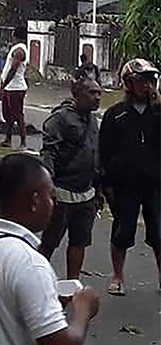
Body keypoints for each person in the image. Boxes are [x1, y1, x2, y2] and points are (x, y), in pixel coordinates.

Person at [0, 153, 100, 345]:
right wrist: (83, 310)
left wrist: (23, 305)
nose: (54, 205)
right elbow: (61, 343)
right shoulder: (31, 265)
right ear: (35, 201)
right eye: (51, 197)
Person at [98, 58, 160, 296]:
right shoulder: (116, 115)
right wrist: (106, 184)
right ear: (128, 84)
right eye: (141, 81)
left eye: (150, 81)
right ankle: (117, 275)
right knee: (122, 232)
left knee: (159, 232)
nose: (146, 85)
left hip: (155, 184)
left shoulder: (158, 113)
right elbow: (105, 151)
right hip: (125, 185)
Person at [38, 75, 101, 280]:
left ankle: (72, 285)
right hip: (62, 192)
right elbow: (49, 153)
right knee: (50, 242)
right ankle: (36, 279)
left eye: (99, 93)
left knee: (79, 242)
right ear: (77, 94)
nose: (97, 97)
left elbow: (96, 154)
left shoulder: (93, 120)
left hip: (86, 194)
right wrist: (49, 187)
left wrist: (99, 189)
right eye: (92, 93)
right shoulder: (60, 119)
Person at [0, 27, 29, 148]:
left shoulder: (19, 50)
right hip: (10, 87)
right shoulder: (16, 49)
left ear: (15, 36)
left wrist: (3, 86)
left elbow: (13, 70)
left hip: (15, 87)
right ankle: (8, 139)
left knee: (18, 115)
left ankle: (23, 143)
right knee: (8, 116)